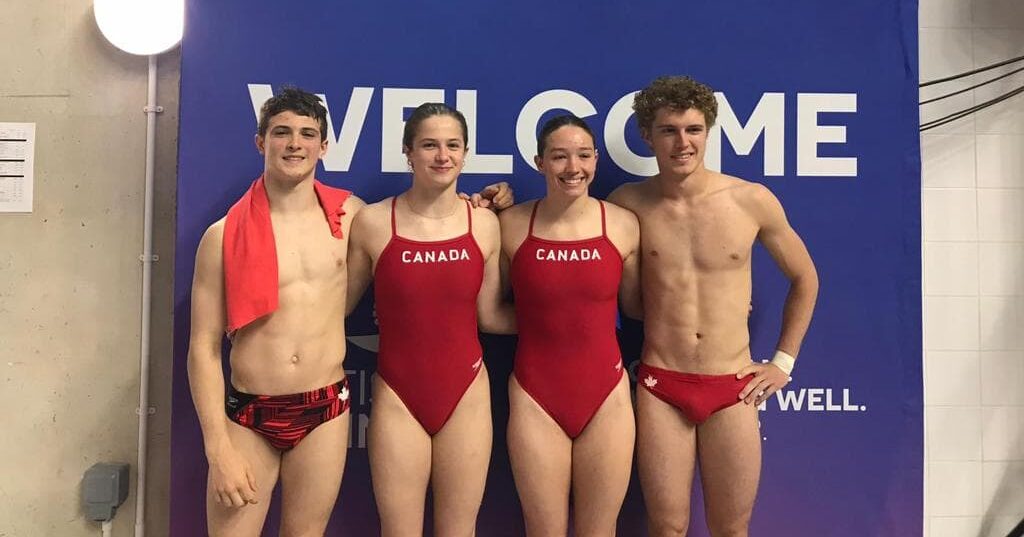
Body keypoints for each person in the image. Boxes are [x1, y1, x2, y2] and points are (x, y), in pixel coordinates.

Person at [187, 88, 511, 536]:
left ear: (324, 146)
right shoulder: (223, 236)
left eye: (307, 134)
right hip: (251, 411)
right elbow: (201, 349)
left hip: (325, 409)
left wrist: (485, 202)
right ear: (261, 142)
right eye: (281, 133)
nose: (294, 144)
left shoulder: (351, 218)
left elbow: (431, 221)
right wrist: (217, 449)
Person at [608, 76, 819, 537]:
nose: (682, 142)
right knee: (666, 528)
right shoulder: (627, 204)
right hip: (662, 384)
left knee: (731, 528)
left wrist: (783, 362)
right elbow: (627, 301)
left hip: (733, 386)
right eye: (668, 130)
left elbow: (805, 278)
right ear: (648, 135)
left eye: (693, 129)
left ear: (708, 131)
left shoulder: (750, 200)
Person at [346, 103, 515, 537]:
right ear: (408, 153)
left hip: (467, 397)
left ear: (465, 153)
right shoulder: (374, 222)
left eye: (452, 145)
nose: (442, 155)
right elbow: (337, 309)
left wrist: (568, 324)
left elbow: (492, 316)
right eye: (429, 145)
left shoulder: (484, 224)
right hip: (398, 397)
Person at [499, 115, 641, 536]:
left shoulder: (622, 224)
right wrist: (548, 322)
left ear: (596, 159)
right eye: (559, 157)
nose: (572, 167)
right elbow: (488, 314)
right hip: (534, 396)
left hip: (607, 398)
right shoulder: (509, 226)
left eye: (582, 155)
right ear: (540, 161)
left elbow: (637, 309)